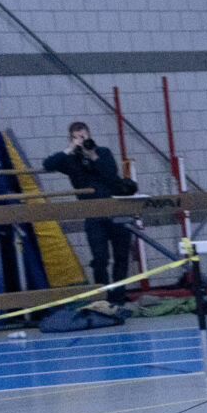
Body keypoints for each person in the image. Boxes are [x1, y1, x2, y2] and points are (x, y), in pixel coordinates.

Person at [41, 121, 137, 292]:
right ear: (71, 138)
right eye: (76, 137)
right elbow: (48, 164)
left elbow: (111, 175)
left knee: (121, 256)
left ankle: (118, 296)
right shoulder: (71, 160)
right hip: (93, 215)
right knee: (99, 258)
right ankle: (103, 296)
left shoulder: (103, 152)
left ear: (90, 135)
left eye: (83, 136)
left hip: (115, 210)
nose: (81, 140)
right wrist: (70, 149)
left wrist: (93, 155)